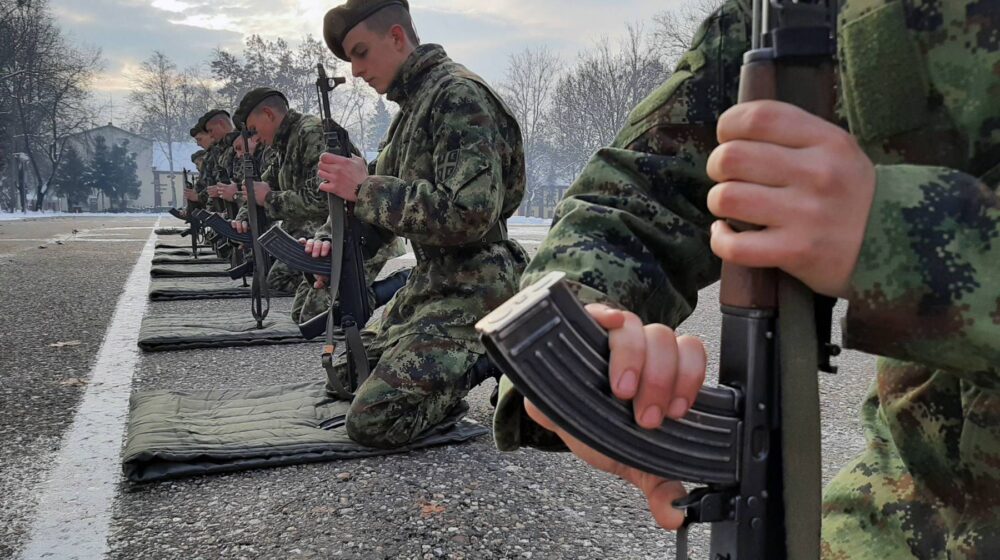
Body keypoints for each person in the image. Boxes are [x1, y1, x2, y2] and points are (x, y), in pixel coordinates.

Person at [492, 0, 1000, 557]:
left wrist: (906, 240)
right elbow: (647, 184)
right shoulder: (784, 12)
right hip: (911, 500)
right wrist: (581, 351)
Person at [308, 0, 529, 449]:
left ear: (396, 36)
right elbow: (384, 218)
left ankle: (491, 354)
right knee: (348, 371)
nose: (355, 70)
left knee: (373, 421)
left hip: (477, 287)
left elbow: (471, 213)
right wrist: (331, 248)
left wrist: (365, 188)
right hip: (432, 284)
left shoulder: (458, 96)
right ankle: (445, 371)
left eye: (360, 52)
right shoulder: (411, 112)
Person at [231, 87, 403, 317]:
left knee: (321, 315)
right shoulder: (282, 146)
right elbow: (259, 187)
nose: (255, 138)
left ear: (268, 114)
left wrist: (269, 199)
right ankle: (360, 293)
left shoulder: (311, 133)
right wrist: (245, 214)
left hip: (359, 234)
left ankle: (404, 285)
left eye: (253, 129)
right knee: (292, 298)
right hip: (322, 236)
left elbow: (322, 200)